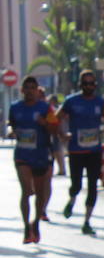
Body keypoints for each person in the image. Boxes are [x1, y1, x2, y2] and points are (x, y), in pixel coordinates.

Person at [59, 70, 104, 235]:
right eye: (85, 84)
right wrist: (63, 134)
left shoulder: (101, 103)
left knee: (92, 187)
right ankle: (72, 199)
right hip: (76, 150)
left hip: (94, 151)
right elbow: (56, 118)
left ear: (95, 85)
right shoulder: (71, 101)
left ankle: (87, 221)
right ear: (80, 85)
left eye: (91, 83)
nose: (89, 86)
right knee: (76, 184)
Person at [9, 76, 56, 244]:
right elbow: (11, 124)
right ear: (22, 90)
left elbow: (54, 128)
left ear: (37, 90)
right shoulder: (15, 108)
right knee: (26, 191)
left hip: (40, 156)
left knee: (40, 194)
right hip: (22, 155)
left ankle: (35, 222)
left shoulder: (45, 108)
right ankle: (25, 227)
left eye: (32, 88)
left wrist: (44, 123)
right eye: (26, 88)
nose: (29, 91)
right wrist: (11, 131)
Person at [45, 89, 66, 177]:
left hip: (56, 132)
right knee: (55, 151)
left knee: (57, 151)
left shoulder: (54, 109)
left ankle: (62, 169)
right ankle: (60, 169)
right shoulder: (55, 109)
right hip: (56, 132)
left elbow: (57, 122)